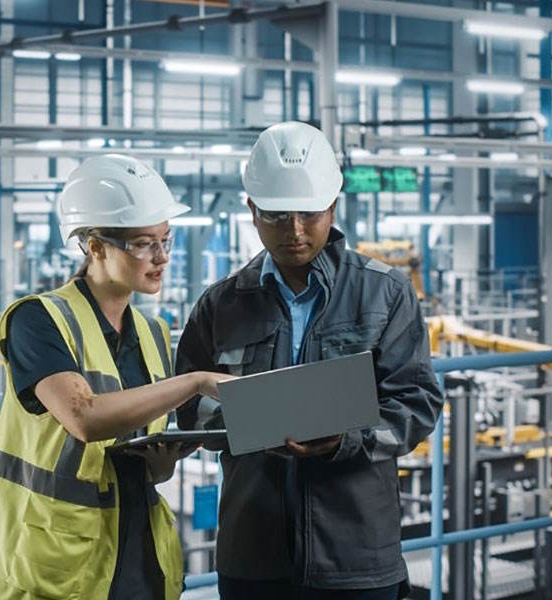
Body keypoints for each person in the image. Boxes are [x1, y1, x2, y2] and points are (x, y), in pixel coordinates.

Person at [176, 122, 444, 600]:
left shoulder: (384, 293)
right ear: (252, 210)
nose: (295, 231)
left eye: (309, 213)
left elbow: (416, 404)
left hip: (356, 555)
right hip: (254, 555)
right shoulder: (220, 306)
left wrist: (346, 439)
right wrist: (246, 422)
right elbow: (190, 412)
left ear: (333, 207)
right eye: (278, 215)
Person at [0, 154, 232, 600]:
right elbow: (85, 417)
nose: (162, 257)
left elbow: (146, 466)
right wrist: (195, 381)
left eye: (166, 240)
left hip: (136, 557)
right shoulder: (37, 320)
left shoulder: (152, 332)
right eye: (144, 244)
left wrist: (162, 460)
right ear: (94, 246)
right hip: (56, 561)